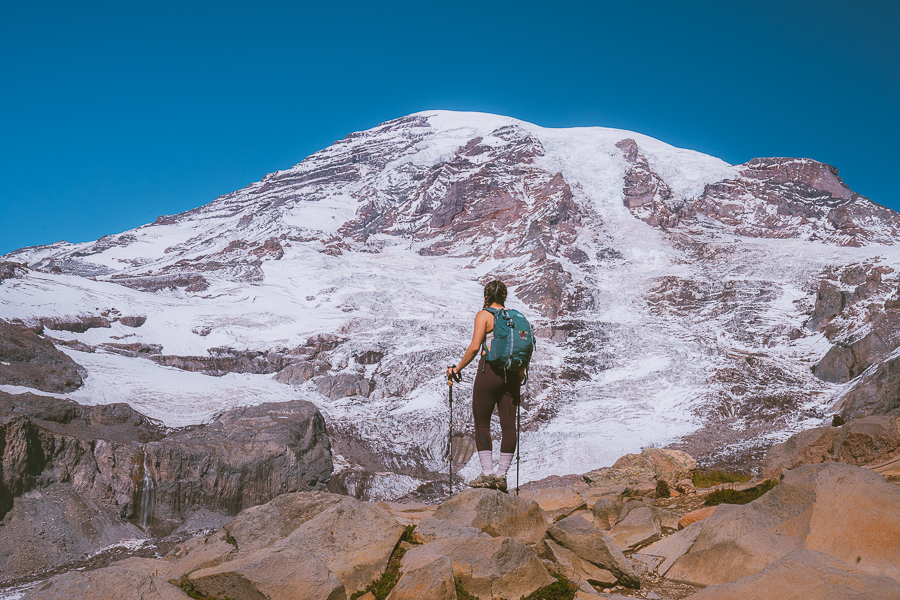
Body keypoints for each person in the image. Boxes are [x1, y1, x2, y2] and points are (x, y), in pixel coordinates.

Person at [446, 280, 522, 492]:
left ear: (487, 295)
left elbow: (474, 347)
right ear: (504, 296)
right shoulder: (515, 317)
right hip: (512, 376)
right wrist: (520, 374)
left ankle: (488, 475)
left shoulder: (484, 315)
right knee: (509, 425)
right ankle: (502, 476)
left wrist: (457, 369)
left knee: (482, 423)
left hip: (489, 373)